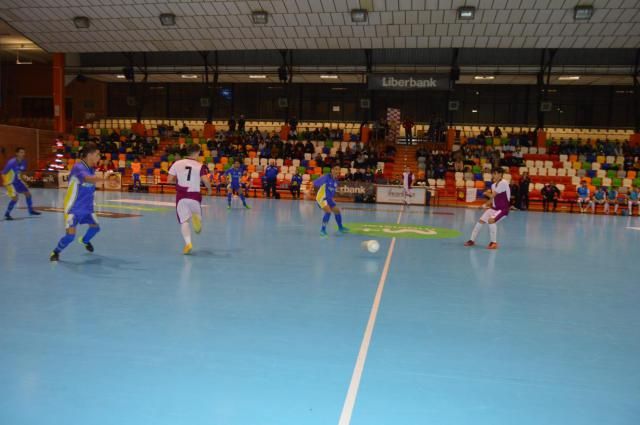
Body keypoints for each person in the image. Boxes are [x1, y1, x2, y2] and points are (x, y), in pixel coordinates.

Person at [49, 143, 102, 261]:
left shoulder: (91, 169)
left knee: (96, 228)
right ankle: (56, 252)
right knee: (70, 236)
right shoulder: (78, 167)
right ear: (89, 155)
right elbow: (87, 179)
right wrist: (106, 178)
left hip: (87, 207)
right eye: (98, 154)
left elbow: (90, 185)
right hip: (73, 208)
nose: (99, 157)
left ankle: (84, 240)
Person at [167, 144, 212, 255]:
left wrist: (179, 182)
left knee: (184, 221)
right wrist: (209, 189)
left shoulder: (177, 163)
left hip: (181, 196)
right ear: (197, 152)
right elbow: (205, 180)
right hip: (194, 195)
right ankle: (197, 219)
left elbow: (169, 180)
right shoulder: (200, 165)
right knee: (197, 220)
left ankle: (188, 243)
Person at [464, 168, 510, 250]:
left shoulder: (503, 183)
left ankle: (494, 243)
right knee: (480, 221)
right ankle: (472, 240)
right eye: (493, 174)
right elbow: (492, 199)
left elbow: (492, 195)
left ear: (500, 174)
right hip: (494, 208)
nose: (493, 175)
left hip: (502, 209)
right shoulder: (493, 185)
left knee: (491, 220)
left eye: (495, 173)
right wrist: (484, 205)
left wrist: (486, 193)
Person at [2, 147, 41, 220]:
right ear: (16, 153)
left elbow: (21, 172)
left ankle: (31, 210)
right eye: (21, 152)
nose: (23, 154)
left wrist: (24, 181)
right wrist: (6, 182)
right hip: (10, 182)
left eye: (23, 152)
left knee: (28, 194)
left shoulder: (24, 162)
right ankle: (7, 214)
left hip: (18, 181)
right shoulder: (11, 162)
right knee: (15, 199)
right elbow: (3, 173)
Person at [314, 165, 348, 237]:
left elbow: (335, 188)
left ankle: (340, 228)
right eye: (335, 169)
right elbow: (315, 183)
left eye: (338, 170)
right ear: (332, 170)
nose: (337, 171)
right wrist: (309, 191)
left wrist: (340, 191)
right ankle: (322, 230)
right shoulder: (326, 177)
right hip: (321, 198)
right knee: (328, 212)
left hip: (329, 199)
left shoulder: (336, 180)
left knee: (337, 211)